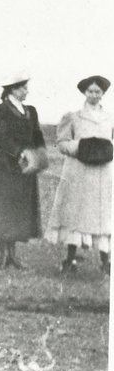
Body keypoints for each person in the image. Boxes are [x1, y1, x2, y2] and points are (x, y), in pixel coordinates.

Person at [46, 75, 113, 274]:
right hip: (79, 172)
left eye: (97, 92)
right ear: (85, 93)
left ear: (103, 94)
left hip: (102, 173)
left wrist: (105, 149)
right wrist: (83, 147)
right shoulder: (73, 117)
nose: (94, 95)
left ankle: (106, 260)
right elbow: (62, 143)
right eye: (90, 91)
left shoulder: (109, 118)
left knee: (102, 215)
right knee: (76, 216)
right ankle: (70, 258)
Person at [0, 74, 46, 269]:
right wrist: (21, 152)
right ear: (13, 89)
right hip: (3, 168)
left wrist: (40, 154)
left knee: (18, 210)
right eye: (23, 88)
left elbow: (37, 134)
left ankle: (13, 255)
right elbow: (2, 137)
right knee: (3, 210)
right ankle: (3, 254)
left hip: (24, 168)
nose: (26, 91)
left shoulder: (30, 111)